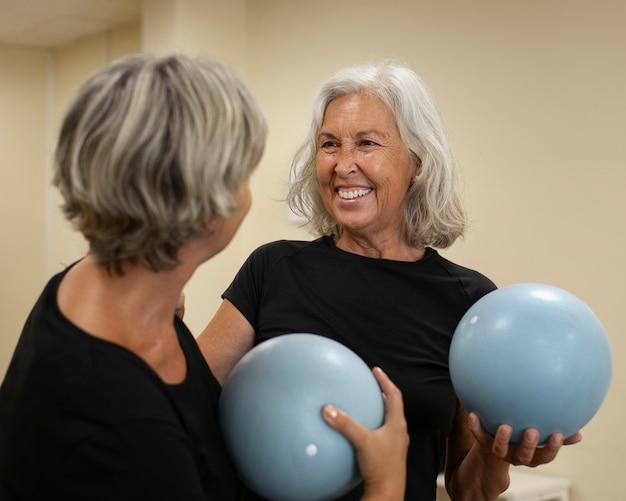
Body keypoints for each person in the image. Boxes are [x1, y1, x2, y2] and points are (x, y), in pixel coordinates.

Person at [0, 54, 409, 501]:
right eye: (243, 172)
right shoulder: (125, 430)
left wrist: (165, 298)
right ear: (208, 211)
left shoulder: (90, 293)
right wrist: (385, 484)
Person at [197, 62, 582, 501]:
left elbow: (468, 490)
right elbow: (186, 407)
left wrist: (499, 451)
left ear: (417, 161)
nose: (344, 165)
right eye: (329, 144)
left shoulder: (468, 302)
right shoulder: (273, 268)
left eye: (367, 143)